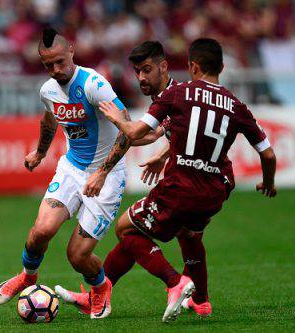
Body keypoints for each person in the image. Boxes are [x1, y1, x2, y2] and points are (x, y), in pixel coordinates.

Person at [93, 38, 277, 322]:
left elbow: (135, 132)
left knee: (126, 229)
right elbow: (268, 155)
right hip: (216, 189)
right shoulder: (237, 105)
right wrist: (268, 183)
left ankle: (175, 282)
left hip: (182, 185)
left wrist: (117, 118)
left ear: (191, 66)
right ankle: (201, 301)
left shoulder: (180, 93)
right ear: (222, 66)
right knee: (189, 236)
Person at [0, 28, 131, 319]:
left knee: (77, 255)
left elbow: (127, 129)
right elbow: (50, 117)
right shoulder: (48, 90)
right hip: (72, 168)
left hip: (107, 174)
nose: (55, 70)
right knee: (41, 231)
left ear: (71, 50)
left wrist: (103, 173)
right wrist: (40, 152)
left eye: (59, 62)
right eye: (47, 65)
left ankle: (101, 288)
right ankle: (28, 278)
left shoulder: (94, 85)